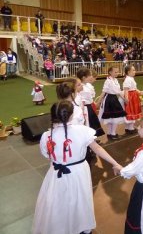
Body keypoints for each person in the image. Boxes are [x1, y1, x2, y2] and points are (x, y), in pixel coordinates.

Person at [32, 101, 122, 234]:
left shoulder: (46, 136)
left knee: (58, 200)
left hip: (56, 172)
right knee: (80, 198)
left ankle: (60, 227)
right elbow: (97, 148)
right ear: (71, 115)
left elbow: (47, 155)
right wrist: (115, 163)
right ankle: (81, 225)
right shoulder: (83, 131)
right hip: (79, 171)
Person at [98, 66, 126, 140]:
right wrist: (98, 102)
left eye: (117, 72)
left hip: (114, 99)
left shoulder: (116, 80)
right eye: (115, 72)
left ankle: (111, 133)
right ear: (110, 72)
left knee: (114, 118)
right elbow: (103, 92)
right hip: (109, 100)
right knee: (112, 118)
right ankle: (111, 133)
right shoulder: (108, 81)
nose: (117, 73)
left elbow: (119, 91)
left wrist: (124, 98)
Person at [77, 68, 105, 137]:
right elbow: (82, 101)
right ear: (84, 77)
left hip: (90, 106)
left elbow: (90, 98)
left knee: (92, 123)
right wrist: (82, 111)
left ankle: (92, 138)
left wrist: (95, 104)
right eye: (89, 75)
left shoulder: (88, 85)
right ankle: (88, 139)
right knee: (87, 123)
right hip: (86, 108)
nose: (91, 76)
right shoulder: (81, 87)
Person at [123, 65, 143, 134]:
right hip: (131, 97)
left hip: (133, 96)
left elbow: (134, 88)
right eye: (133, 70)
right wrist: (126, 98)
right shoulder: (128, 79)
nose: (135, 71)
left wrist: (139, 91)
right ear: (128, 72)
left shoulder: (131, 78)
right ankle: (129, 128)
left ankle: (129, 127)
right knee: (131, 111)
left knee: (132, 111)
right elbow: (126, 90)